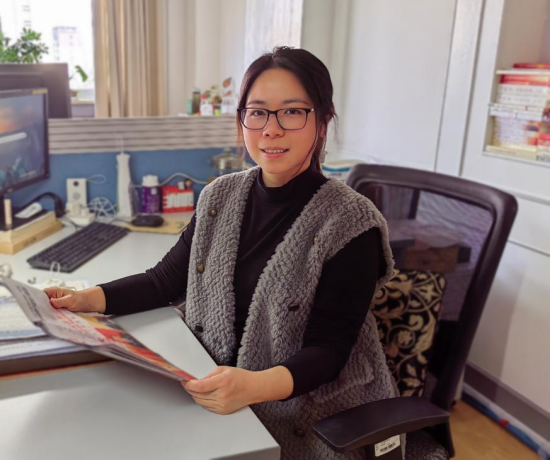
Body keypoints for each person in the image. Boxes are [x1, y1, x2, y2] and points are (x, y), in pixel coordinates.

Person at [45, 46, 397, 459]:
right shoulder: (220, 196)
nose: (271, 129)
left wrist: (252, 385)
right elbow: (164, 281)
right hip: (215, 395)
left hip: (311, 418)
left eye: (292, 112)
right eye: (258, 112)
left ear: (322, 121)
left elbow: (328, 353)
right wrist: (85, 299)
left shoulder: (350, 222)